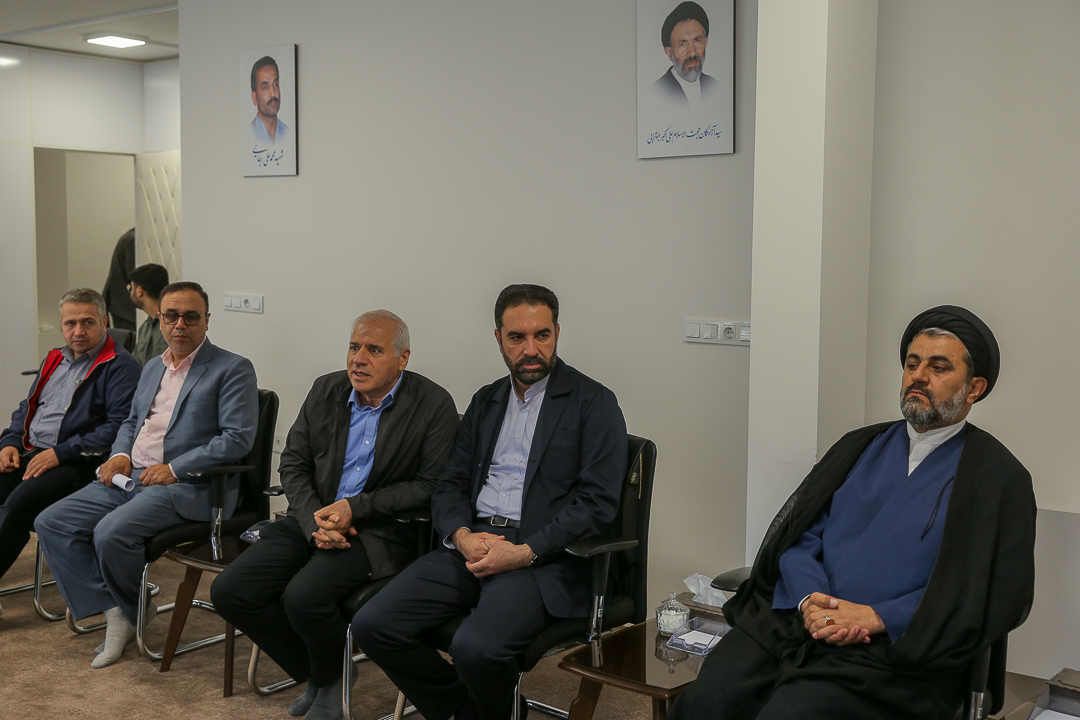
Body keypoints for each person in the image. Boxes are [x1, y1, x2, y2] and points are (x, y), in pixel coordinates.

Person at [670, 306, 1036, 720]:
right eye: (912, 364)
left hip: (892, 651)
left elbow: (992, 593)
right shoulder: (858, 446)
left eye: (938, 367)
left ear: (974, 388)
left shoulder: (998, 477)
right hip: (797, 624)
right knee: (707, 701)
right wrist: (811, 601)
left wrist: (877, 617)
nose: (918, 376)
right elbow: (799, 537)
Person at [353, 284, 628, 720]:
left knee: (475, 648)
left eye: (541, 335)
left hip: (540, 557)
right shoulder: (486, 401)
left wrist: (524, 551)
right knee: (373, 624)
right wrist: (461, 535)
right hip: (473, 543)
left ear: (557, 333)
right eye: (517, 337)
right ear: (499, 339)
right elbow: (451, 483)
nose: (531, 349)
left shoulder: (593, 403)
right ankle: (468, 711)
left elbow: (597, 504)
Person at [211, 310, 459, 720]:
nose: (358, 359)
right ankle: (326, 673)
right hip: (312, 518)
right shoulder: (326, 389)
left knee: (304, 597)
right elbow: (293, 463)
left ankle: (326, 681)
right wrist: (314, 522)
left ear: (403, 358)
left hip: (379, 531)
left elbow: (430, 485)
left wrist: (353, 508)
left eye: (374, 350)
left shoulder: (433, 404)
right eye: (354, 347)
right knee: (231, 590)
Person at [35, 281, 258, 668]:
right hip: (131, 476)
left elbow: (236, 439)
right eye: (171, 316)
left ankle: (125, 611)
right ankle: (121, 608)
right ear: (159, 319)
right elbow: (132, 421)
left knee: (109, 533)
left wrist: (174, 468)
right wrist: (120, 454)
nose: (180, 324)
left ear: (206, 320)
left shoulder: (232, 368)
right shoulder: (153, 365)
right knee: (52, 521)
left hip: (188, 485)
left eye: (191, 316)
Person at [0, 289, 140, 618]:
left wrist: (60, 453)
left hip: (80, 462)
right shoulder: (54, 358)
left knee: (19, 504)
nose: (78, 331)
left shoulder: (121, 366)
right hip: (29, 452)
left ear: (104, 321)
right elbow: (27, 409)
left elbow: (119, 426)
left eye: (87, 322)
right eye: (70, 323)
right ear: (62, 325)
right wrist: (9, 441)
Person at [651, 1, 718, 107]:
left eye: (697, 40)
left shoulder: (715, 86)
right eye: (683, 44)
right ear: (669, 53)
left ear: (705, 42)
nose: (692, 52)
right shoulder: (657, 92)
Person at [127, 263, 170, 365]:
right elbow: (134, 365)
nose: (130, 293)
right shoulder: (144, 328)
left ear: (139, 291)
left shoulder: (173, 324)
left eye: (131, 288)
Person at [250, 55, 289, 147]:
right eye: (265, 87)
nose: (273, 93)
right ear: (255, 98)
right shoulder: (249, 134)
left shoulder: (287, 132)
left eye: (275, 84)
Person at [102, 228, 136, 331]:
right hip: (127, 308)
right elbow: (135, 276)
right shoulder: (133, 240)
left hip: (121, 305)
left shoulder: (129, 237)